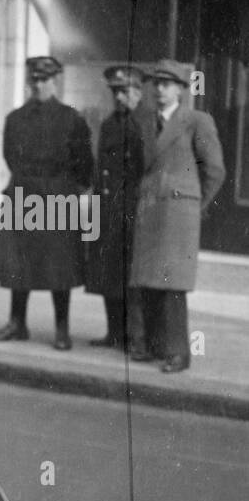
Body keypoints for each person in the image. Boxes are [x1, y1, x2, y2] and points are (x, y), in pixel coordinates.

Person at [0, 56, 94, 350]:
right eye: (34, 79)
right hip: (23, 193)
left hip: (59, 196)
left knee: (59, 266)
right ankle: (17, 322)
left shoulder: (72, 119)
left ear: (56, 81)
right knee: (18, 262)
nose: (38, 85)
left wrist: (68, 188)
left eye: (44, 80)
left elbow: (84, 163)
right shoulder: (15, 118)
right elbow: (10, 156)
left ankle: (62, 328)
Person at [128, 59, 226, 374]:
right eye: (156, 83)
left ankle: (179, 354)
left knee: (172, 286)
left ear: (182, 90)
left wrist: (192, 202)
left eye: (167, 84)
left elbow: (215, 171)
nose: (159, 89)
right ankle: (154, 346)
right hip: (151, 210)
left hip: (177, 213)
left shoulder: (196, 120)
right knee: (150, 282)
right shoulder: (143, 120)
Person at [85, 65, 146, 348]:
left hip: (132, 210)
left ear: (138, 92)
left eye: (125, 91)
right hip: (108, 209)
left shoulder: (143, 125)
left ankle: (134, 336)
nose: (119, 97)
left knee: (129, 278)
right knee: (108, 274)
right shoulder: (109, 124)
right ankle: (113, 333)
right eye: (115, 92)